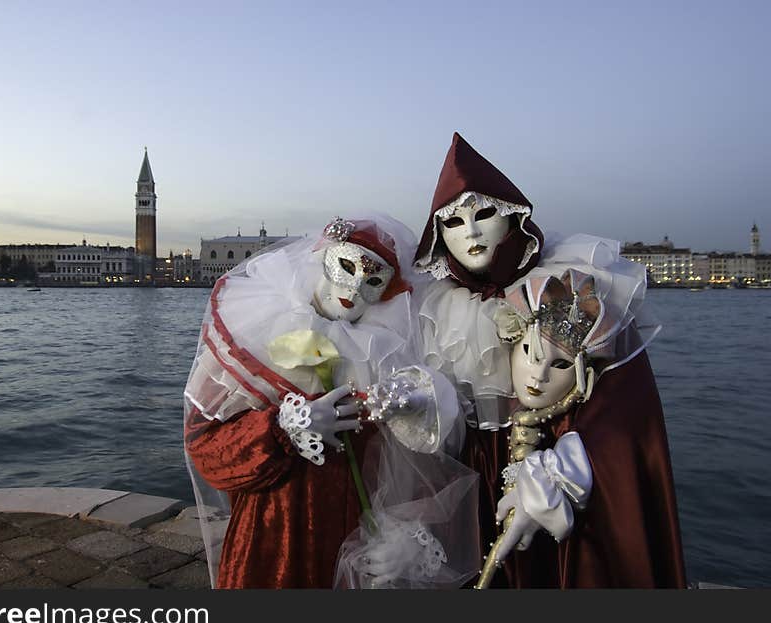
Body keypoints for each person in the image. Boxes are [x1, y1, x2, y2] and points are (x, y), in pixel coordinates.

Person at [415, 132, 687, 587]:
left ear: (515, 220)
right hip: (467, 488)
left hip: (555, 476)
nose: (472, 233)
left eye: (484, 215)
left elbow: (627, 406)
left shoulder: (567, 286)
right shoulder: (432, 309)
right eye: (454, 223)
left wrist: (560, 473)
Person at [184, 215, 478, 588]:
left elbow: (416, 469)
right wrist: (283, 428)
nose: (353, 290)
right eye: (345, 267)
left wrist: (407, 536)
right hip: (274, 538)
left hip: (358, 543)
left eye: (373, 281)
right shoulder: (251, 338)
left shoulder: (389, 356)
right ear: (319, 257)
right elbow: (208, 451)